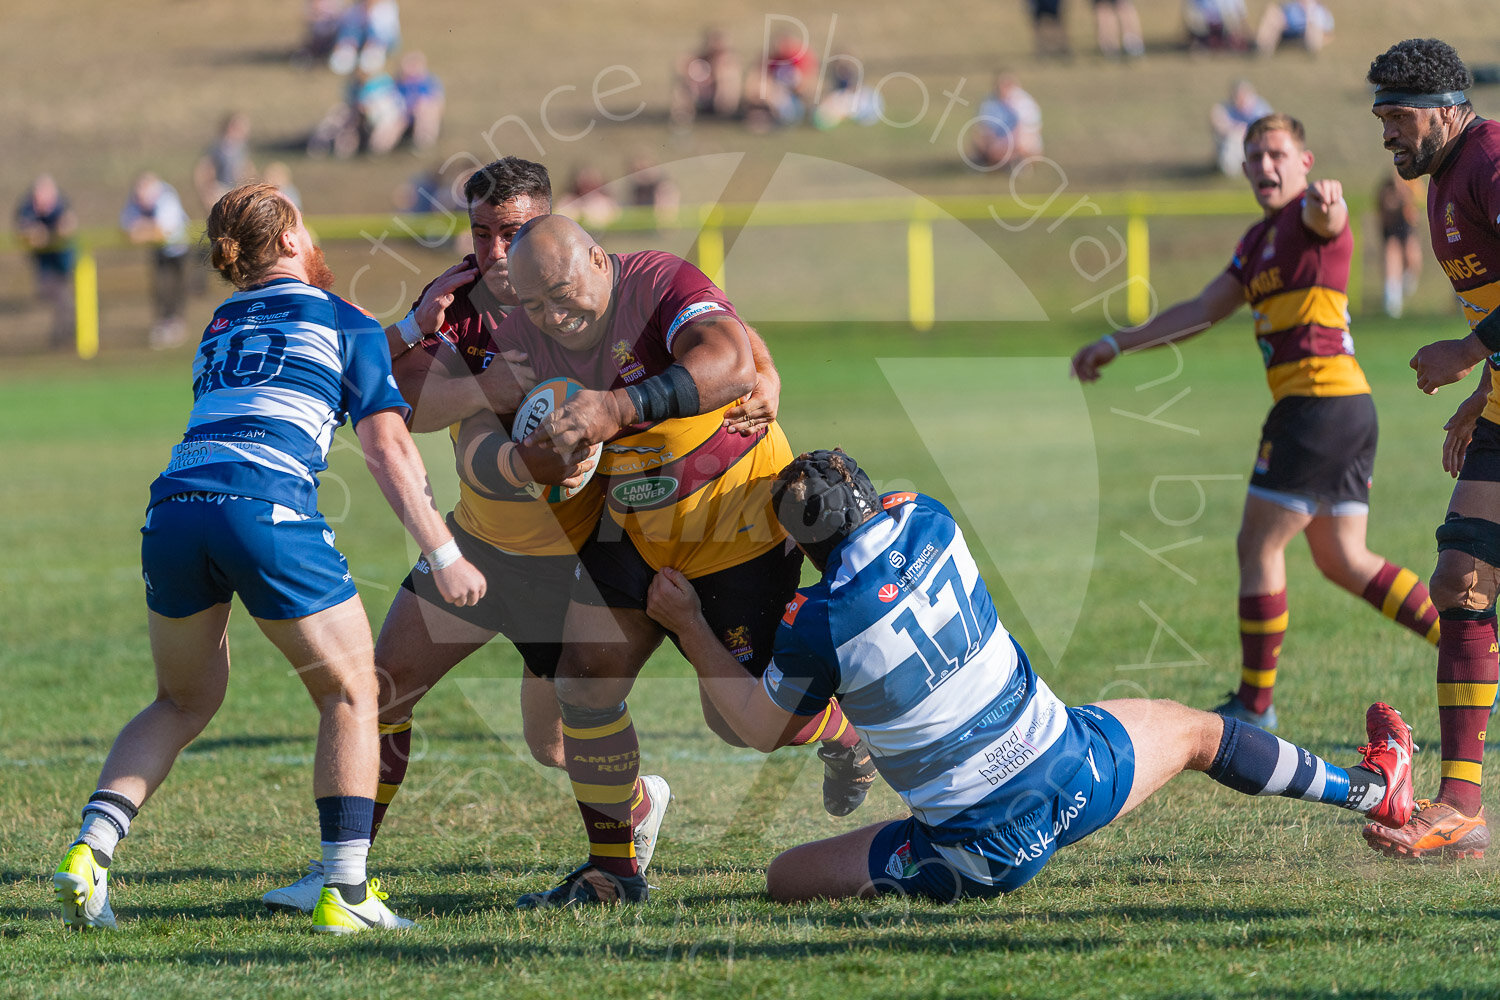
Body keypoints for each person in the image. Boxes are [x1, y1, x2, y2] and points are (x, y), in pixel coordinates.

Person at [259, 157, 772, 912]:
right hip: (478, 543)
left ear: (553, 232)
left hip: (569, 554)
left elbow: (723, 342)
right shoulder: (461, 299)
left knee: (563, 730)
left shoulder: (592, 291)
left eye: (514, 233)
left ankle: (629, 827)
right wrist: (482, 388)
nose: (496, 252)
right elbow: (398, 399)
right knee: (383, 688)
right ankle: (343, 871)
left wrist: (765, 372)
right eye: (482, 233)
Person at [644, 448, 1416, 901]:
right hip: (1073, 776)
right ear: (873, 500)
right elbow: (890, 507)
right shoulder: (931, 520)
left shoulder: (814, 621)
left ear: (805, 551)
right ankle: (1376, 791)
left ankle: (923, 848)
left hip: (980, 854)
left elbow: (754, 726)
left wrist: (687, 623)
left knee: (784, 879)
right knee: (1198, 732)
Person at [53, 182, 486, 933]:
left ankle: (90, 849)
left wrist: (411, 327)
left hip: (175, 508)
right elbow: (385, 445)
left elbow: (304, 358)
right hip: (264, 505)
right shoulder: (340, 318)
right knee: (355, 691)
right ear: (289, 239)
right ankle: (346, 890)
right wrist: (442, 550)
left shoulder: (221, 325)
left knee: (181, 700)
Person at [472, 215, 873, 908]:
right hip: (633, 522)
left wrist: (614, 408)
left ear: (600, 260)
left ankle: (845, 734)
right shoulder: (526, 339)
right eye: (534, 305)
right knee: (585, 679)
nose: (553, 317)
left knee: (742, 722)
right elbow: (462, 411)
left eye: (562, 294)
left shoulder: (656, 283)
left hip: (735, 518)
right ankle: (612, 873)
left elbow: (727, 352)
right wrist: (525, 458)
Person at [1071, 113, 1441, 733]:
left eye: (1276, 153)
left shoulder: (1309, 217)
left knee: (1258, 543)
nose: (1264, 165)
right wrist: (1118, 341)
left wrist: (1330, 204)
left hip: (1317, 404)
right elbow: (1201, 310)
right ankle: (1480, 658)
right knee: (1345, 560)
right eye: (1253, 156)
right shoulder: (1256, 241)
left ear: (1305, 161)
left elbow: (1332, 219)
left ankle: (1254, 705)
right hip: (1345, 407)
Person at [1368, 38, 1500, 860]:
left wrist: (1467, 353)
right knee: (1461, 578)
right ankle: (1459, 805)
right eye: (1381, 119)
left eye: (1400, 117)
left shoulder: (1489, 156)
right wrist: (1484, 395)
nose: (1388, 135)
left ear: (1449, 106)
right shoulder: (1445, 178)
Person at [120, 172, 192, 349]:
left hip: (179, 249)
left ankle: (176, 326)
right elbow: (127, 225)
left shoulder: (166, 197)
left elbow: (162, 230)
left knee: (176, 288)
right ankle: (164, 325)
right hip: (160, 250)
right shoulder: (136, 199)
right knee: (160, 288)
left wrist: (142, 229)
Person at [14, 173, 77, 351]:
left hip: (63, 261)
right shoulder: (27, 207)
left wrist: (54, 232)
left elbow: (68, 226)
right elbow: (24, 230)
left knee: (65, 301)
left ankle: (63, 339)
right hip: (44, 265)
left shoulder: (61, 204)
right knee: (55, 297)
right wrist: (33, 233)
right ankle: (60, 340)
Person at [967, 71, 1044, 171]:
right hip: (997, 143)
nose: (1004, 88)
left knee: (1024, 144)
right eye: (1001, 85)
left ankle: (1017, 162)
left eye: (1008, 84)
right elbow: (983, 129)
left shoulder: (1025, 103)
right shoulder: (988, 103)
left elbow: (1031, 131)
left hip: (1019, 142)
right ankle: (990, 162)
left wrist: (1011, 146)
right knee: (979, 142)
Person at [670, 27, 742, 131]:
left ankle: (724, 113)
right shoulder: (698, 60)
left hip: (719, 99)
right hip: (699, 96)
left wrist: (719, 72)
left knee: (728, 78)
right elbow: (679, 66)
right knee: (681, 86)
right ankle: (682, 115)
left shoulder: (728, 64)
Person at [1375, 167, 1424, 319]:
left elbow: (1419, 204)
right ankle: (1392, 300)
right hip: (1392, 228)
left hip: (1407, 227)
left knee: (1412, 256)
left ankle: (1403, 286)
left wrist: (1405, 194)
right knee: (1392, 255)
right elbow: (1383, 209)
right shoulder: (1387, 188)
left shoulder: (1413, 184)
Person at [193, 112, 256, 213]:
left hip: (237, 190)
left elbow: (248, 168)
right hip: (221, 190)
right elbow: (204, 169)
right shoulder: (218, 147)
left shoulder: (242, 148)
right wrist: (206, 192)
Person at [1211, 80, 1272, 177]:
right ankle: (1229, 169)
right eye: (1237, 96)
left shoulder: (1259, 108)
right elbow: (1218, 123)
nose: (1239, 99)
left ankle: (1234, 168)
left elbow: (1266, 129)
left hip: (1254, 142)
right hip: (1233, 142)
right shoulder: (1228, 108)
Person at [329, 0, 400, 76]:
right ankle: (347, 49)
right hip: (359, 35)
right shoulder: (355, 9)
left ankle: (373, 50)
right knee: (352, 25)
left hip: (381, 40)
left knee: (376, 28)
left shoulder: (386, 8)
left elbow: (386, 31)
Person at [394, 51, 444, 152]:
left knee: (424, 110)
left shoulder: (429, 82)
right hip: (403, 116)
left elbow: (437, 102)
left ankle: (423, 144)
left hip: (423, 115)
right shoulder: (398, 83)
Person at [1255, 1, 1332, 58]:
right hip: (1287, 31)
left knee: (1313, 26)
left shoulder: (1318, 11)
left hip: (1305, 35)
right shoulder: (1292, 7)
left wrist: (1309, 13)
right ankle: (1262, 50)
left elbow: (1326, 32)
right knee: (1272, 12)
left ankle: (1311, 51)